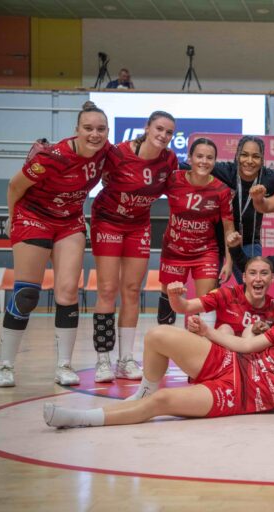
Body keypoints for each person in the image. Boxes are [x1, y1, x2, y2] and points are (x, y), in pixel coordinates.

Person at [43, 292, 274, 428]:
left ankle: (81, 419)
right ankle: (143, 393)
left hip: (240, 396)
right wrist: (207, 331)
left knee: (163, 402)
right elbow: (243, 347)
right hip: (231, 362)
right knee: (158, 335)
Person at [0, 101, 120, 387]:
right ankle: (5, 366)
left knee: (67, 292)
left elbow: (133, 158)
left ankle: (64, 365)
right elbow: (15, 186)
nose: (95, 134)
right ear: (76, 130)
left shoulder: (105, 154)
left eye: (101, 129)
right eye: (88, 128)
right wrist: (15, 221)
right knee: (26, 294)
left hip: (70, 220)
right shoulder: (53, 157)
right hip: (33, 216)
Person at [90, 111, 178, 383]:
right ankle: (102, 360)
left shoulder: (169, 160)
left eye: (169, 132)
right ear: (147, 128)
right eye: (159, 129)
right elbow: (91, 178)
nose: (163, 136)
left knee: (131, 290)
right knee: (106, 289)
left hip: (138, 225)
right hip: (107, 221)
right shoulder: (118, 154)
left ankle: (125, 359)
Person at [202, 135, 274, 283]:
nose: (249, 161)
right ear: (237, 155)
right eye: (244, 155)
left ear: (262, 159)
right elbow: (190, 167)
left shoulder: (269, 177)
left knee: (252, 286)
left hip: (248, 242)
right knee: (209, 290)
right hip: (215, 243)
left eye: (255, 156)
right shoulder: (225, 171)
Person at [157, 138, 235, 328]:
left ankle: (202, 350)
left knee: (207, 300)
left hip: (205, 252)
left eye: (210, 158)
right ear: (190, 158)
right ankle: (165, 345)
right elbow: (148, 188)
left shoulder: (221, 190)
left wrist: (229, 262)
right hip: (174, 251)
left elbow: (229, 229)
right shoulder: (174, 179)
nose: (204, 161)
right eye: (199, 156)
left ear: (215, 161)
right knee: (169, 298)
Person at [165, 256, 274, 336]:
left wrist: (270, 331)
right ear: (244, 278)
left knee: (259, 335)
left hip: (255, 365)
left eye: (264, 274)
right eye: (252, 273)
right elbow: (185, 307)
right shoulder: (227, 294)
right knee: (225, 329)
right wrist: (173, 296)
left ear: (272, 278)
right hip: (225, 361)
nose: (258, 279)